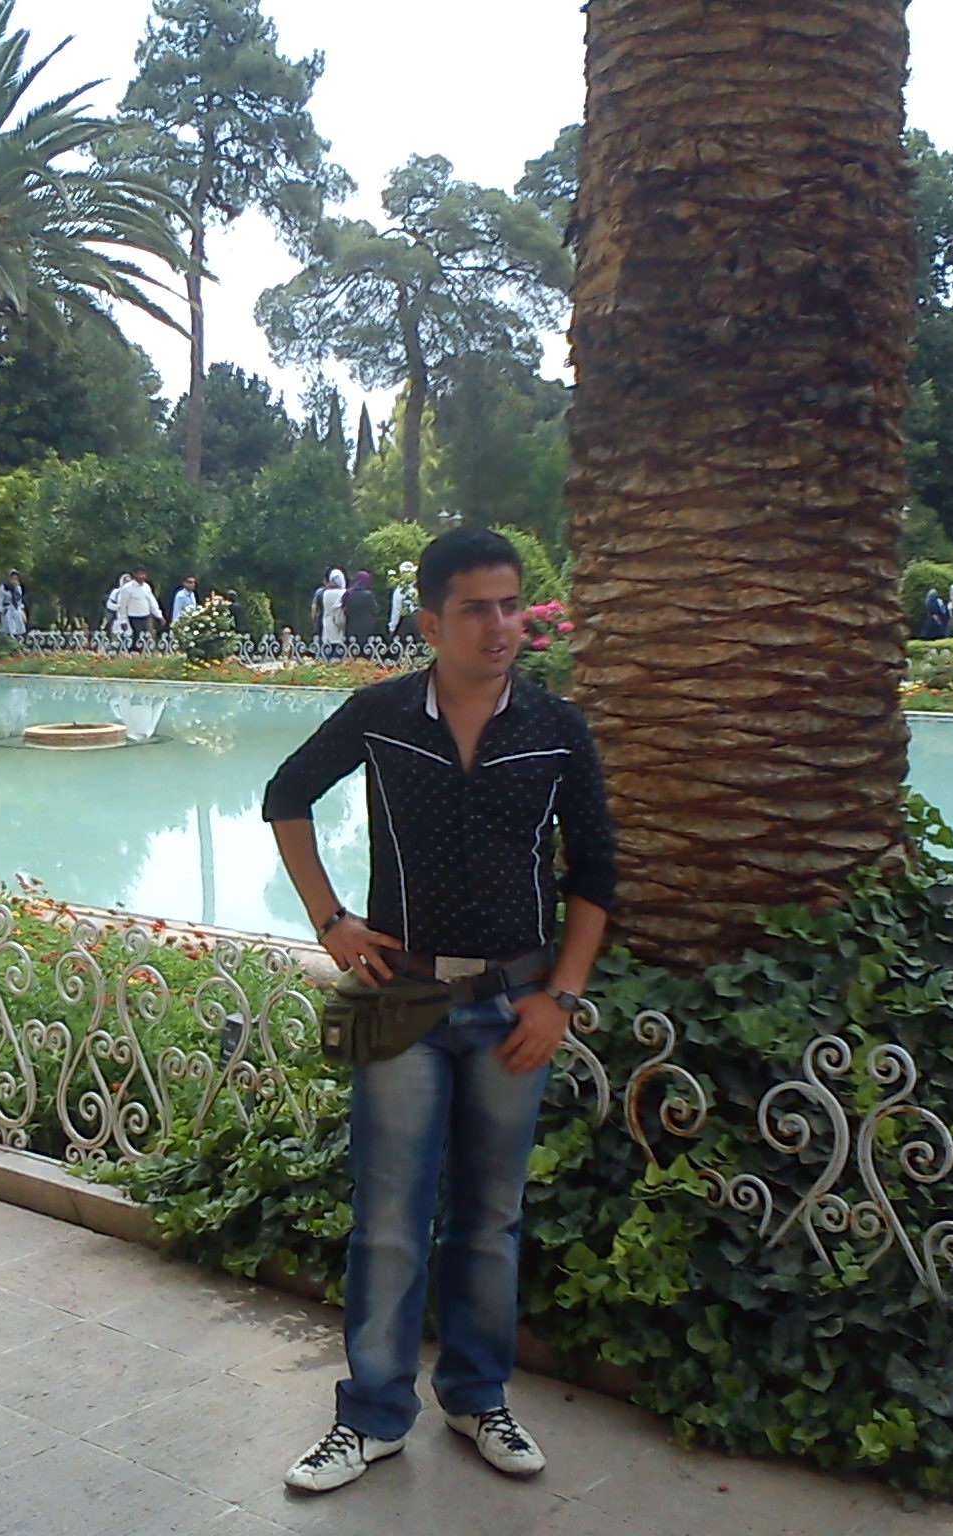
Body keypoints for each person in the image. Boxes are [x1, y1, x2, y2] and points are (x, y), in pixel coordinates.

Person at [263, 526, 618, 1495]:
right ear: (430, 622)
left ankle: (476, 1397)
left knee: (490, 1219)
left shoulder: (555, 727)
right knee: (387, 1219)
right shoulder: (381, 714)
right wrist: (331, 920)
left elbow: (595, 874)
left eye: (511, 604)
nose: (499, 625)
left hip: (515, 1002)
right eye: (475, 608)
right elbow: (285, 796)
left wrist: (559, 998)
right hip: (402, 998)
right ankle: (371, 1415)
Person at [116, 566, 163, 650]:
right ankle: (135, 653)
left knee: (149, 636)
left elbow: (152, 602)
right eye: (139, 574)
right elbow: (123, 606)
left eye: (143, 574)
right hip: (134, 617)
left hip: (146, 616)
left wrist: (159, 616)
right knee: (138, 637)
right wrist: (123, 620)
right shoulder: (127, 588)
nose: (141, 576)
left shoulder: (146, 587)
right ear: (134, 574)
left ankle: (149, 652)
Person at [345, 570, 380, 651]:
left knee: (354, 649)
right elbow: (375, 609)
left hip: (352, 625)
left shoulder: (348, 594)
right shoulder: (368, 594)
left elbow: (345, 609)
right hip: (367, 625)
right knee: (366, 649)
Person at [318, 569, 349, 658]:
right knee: (338, 652)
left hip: (327, 623)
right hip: (338, 622)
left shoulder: (325, 593)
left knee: (327, 653)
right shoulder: (343, 593)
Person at [388, 561, 420, 639]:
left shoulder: (400, 590)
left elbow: (397, 609)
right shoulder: (418, 588)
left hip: (406, 622)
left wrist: (392, 627)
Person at [0, 570, 28, 637]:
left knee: (19, 629)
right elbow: (0, 602)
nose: (14, 581)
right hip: (7, 611)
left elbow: (19, 602)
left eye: (16, 579)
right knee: (9, 629)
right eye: (12, 578)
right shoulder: (3, 588)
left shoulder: (18, 588)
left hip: (16, 611)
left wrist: (23, 613)